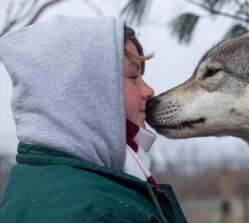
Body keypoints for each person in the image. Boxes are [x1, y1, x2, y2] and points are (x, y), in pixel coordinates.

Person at [0, 16, 187, 223]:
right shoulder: (101, 214)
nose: (149, 91)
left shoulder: (32, 184)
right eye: (133, 77)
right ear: (85, 93)